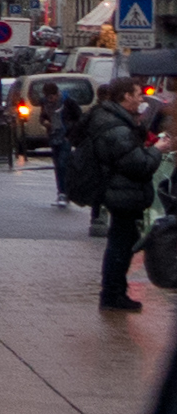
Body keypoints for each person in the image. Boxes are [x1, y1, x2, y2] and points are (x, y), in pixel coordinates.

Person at [80, 78, 157, 311]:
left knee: (121, 243)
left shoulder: (116, 121)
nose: (142, 99)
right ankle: (113, 295)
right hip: (122, 193)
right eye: (137, 94)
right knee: (120, 246)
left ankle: (114, 292)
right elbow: (138, 163)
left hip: (121, 191)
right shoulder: (116, 127)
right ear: (125, 96)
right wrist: (157, 150)